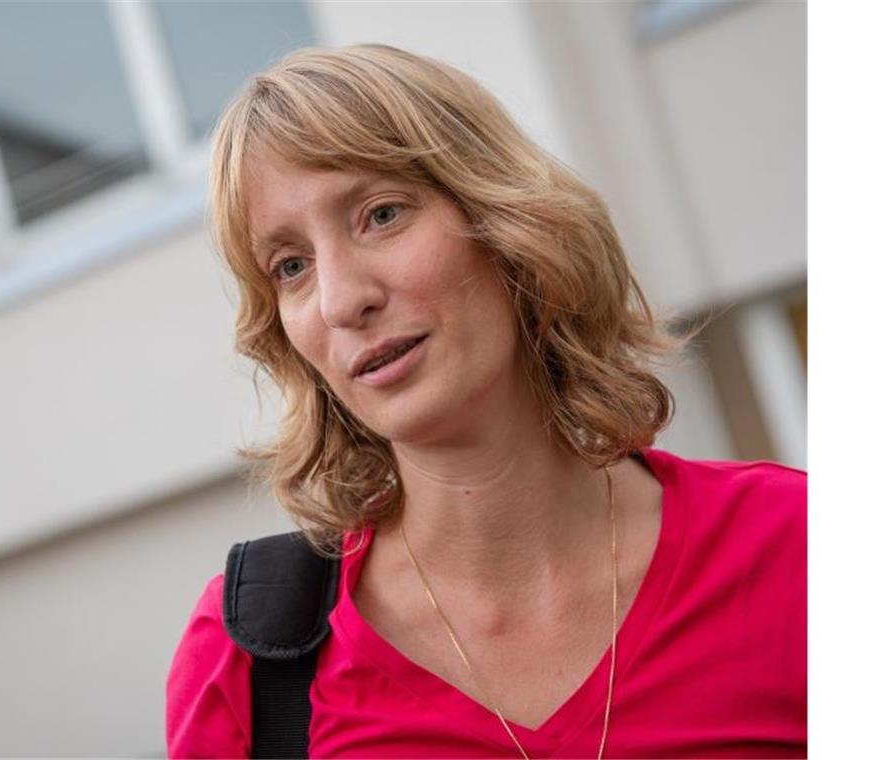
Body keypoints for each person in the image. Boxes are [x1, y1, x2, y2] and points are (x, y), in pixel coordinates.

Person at [166, 44, 806, 758]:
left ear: (505, 222)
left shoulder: (798, 547)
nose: (343, 300)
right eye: (291, 266)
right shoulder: (250, 663)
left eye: (381, 214)